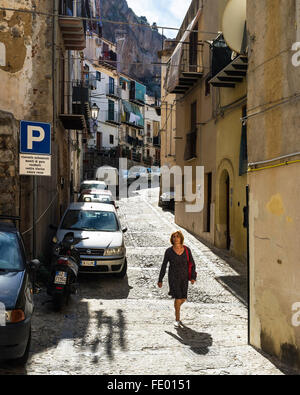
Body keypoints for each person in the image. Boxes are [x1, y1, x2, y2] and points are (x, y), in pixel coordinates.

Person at [157, 230, 197, 328]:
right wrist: (160, 279)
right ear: (172, 239)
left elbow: (192, 264)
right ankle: (177, 319)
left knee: (183, 298)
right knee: (178, 297)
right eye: (174, 237)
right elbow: (164, 266)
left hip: (184, 278)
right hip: (173, 278)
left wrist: (192, 277)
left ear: (181, 238)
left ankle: (177, 307)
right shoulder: (169, 251)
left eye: (177, 236)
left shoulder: (187, 250)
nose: (176, 238)